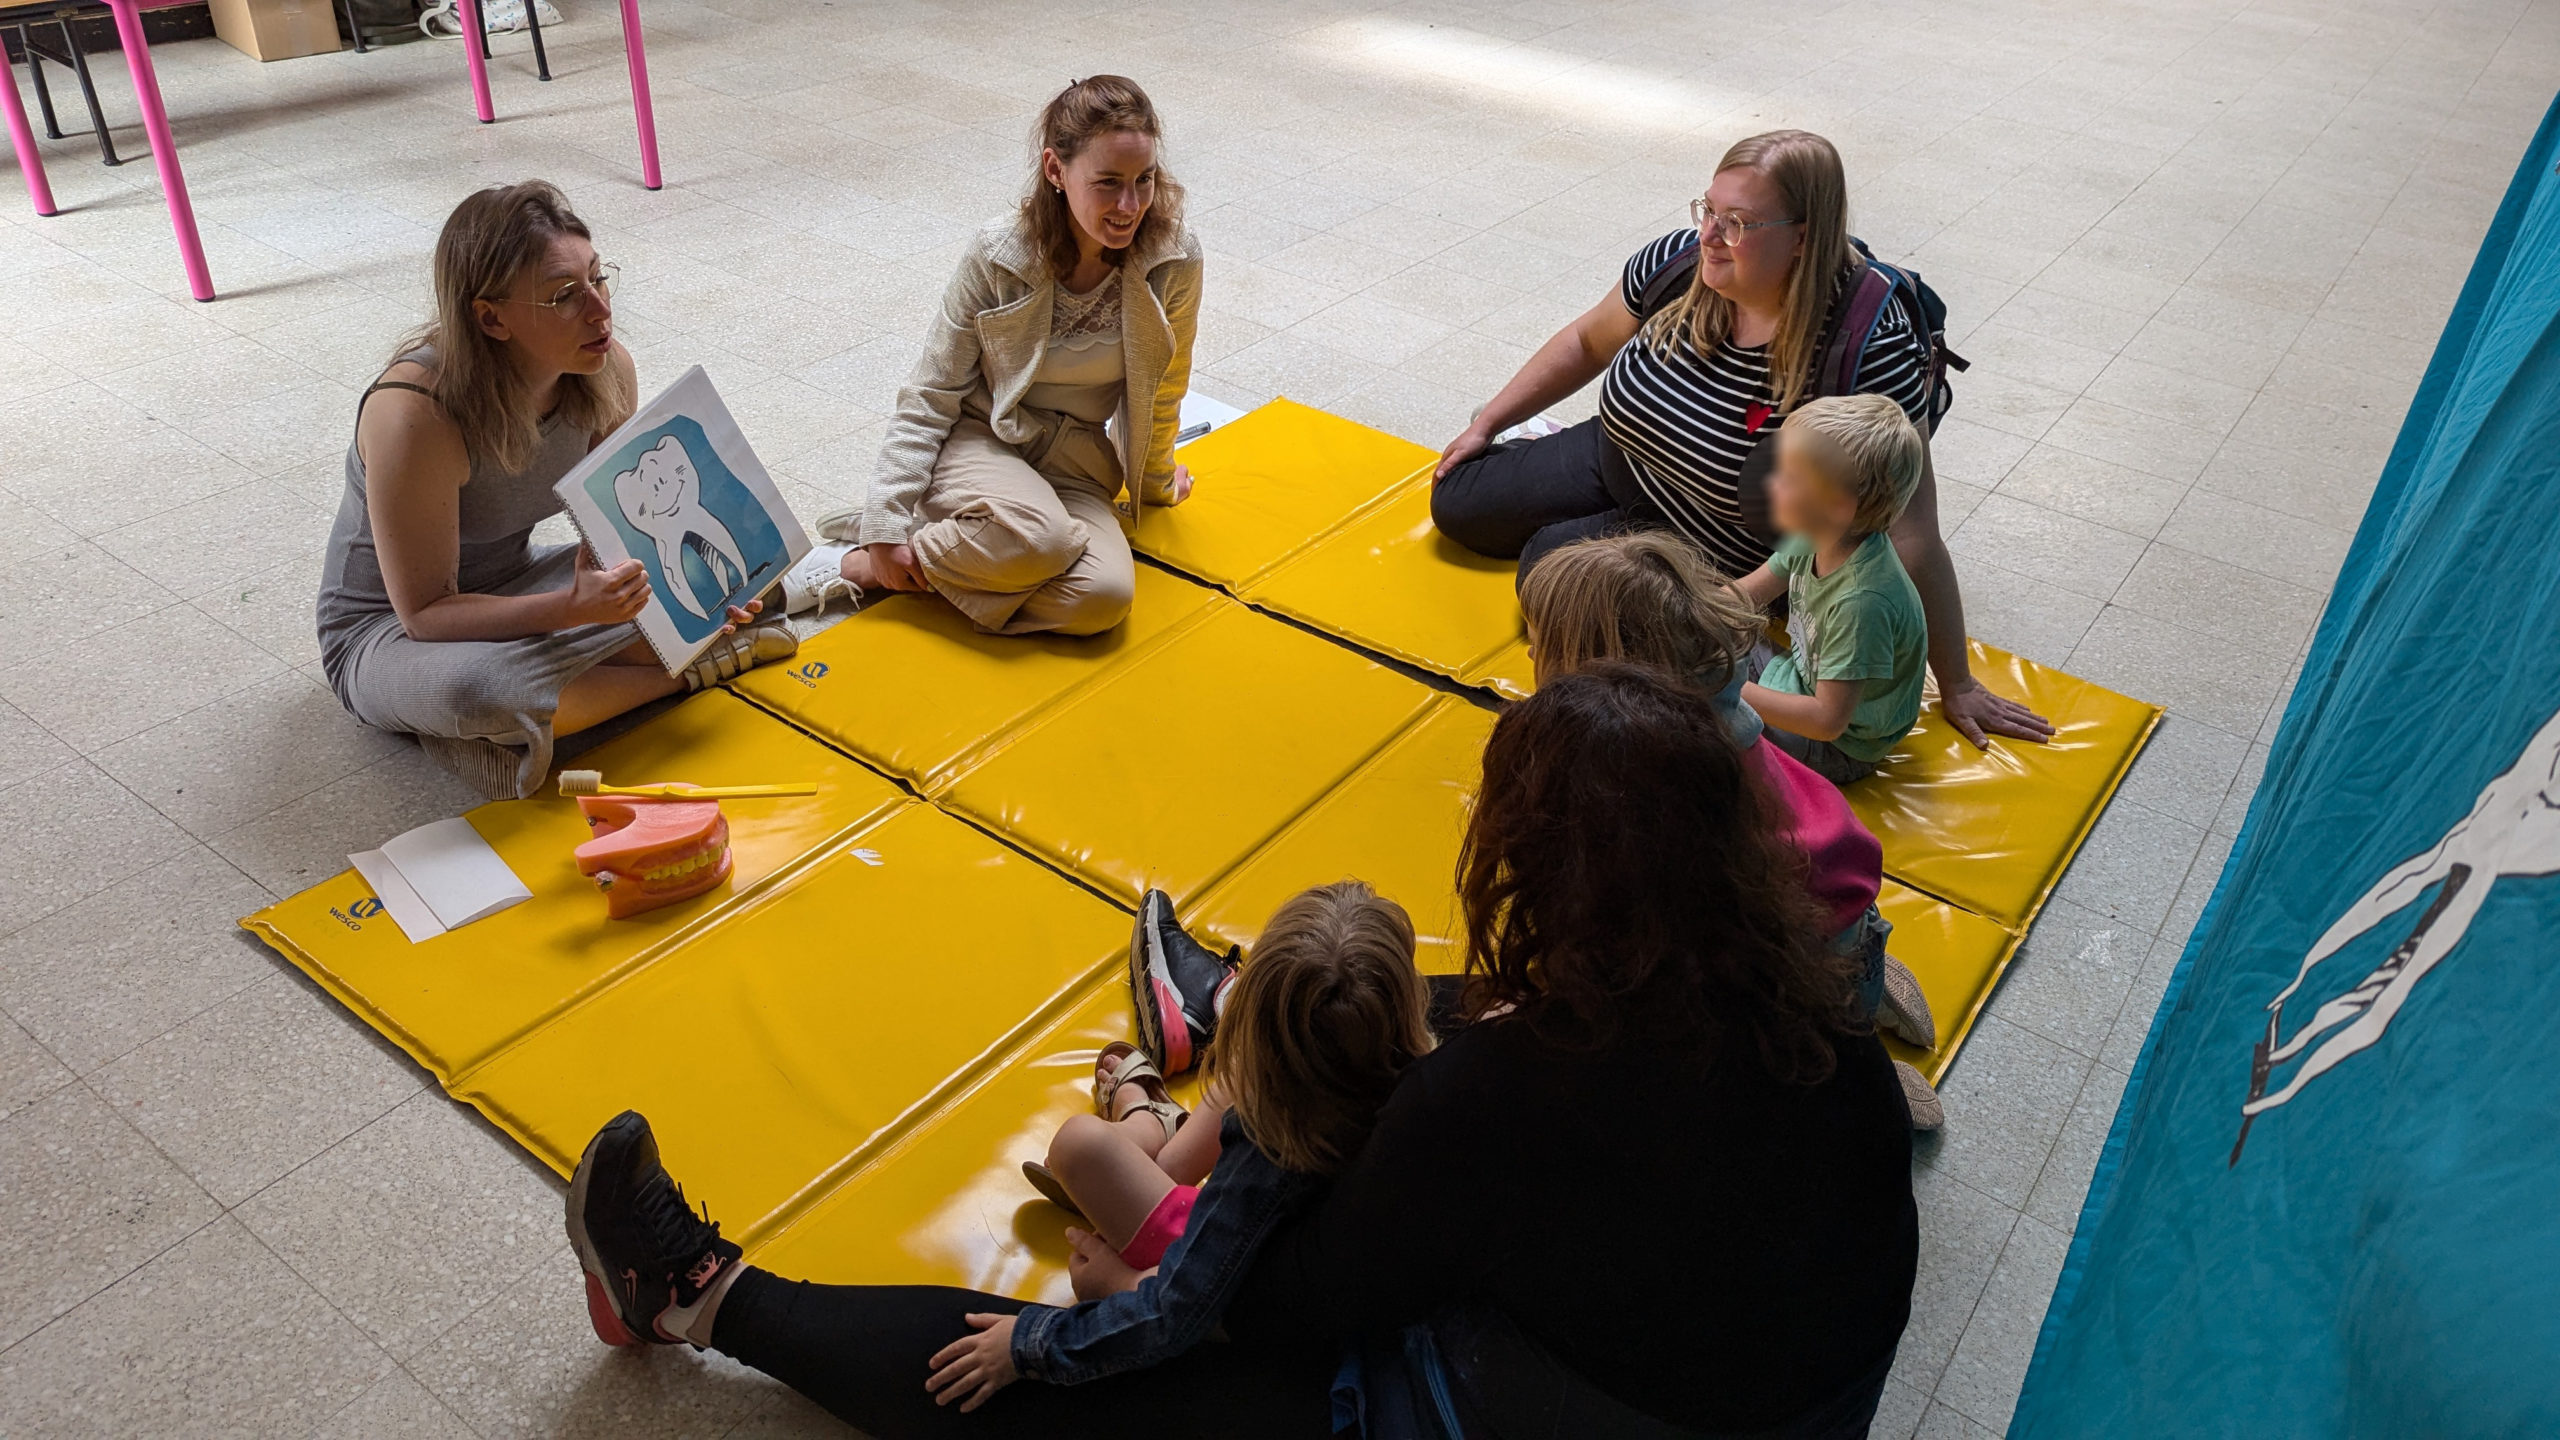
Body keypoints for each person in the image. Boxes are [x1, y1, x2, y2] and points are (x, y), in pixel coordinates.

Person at [549, 667, 1915, 1438]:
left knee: (1053, 1368)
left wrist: (1100, 1305)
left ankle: (695, 1296)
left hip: (1600, 1406)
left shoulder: (1490, 1097)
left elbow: (1275, 1303)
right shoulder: (1810, 1019)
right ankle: (1239, 1002)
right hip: (1778, 1403)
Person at [1427, 128, 2050, 754]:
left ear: (1803, 237)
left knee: (1550, 574)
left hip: (1717, 536)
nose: (1709, 235)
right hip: (1625, 453)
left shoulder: (1866, 346)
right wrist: (1489, 423)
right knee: (1457, 501)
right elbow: (1588, 341)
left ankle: (1608, 543)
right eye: (1708, 210)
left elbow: (1911, 529)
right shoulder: (1678, 262)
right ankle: (1556, 466)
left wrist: (1958, 684)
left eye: (1738, 223)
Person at [319, 181, 793, 800]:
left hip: (515, 582)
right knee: (484, 690)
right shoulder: (415, 415)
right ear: (491, 318)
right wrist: (575, 611)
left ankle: (541, 719)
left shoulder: (605, 368)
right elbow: (426, 613)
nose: (599, 311)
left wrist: (691, 595)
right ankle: (681, 676)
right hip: (389, 629)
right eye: (565, 296)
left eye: (598, 279)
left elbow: (619, 538)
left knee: (755, 585)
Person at [924, 882, 1431, 1413]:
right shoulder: (1426, 1086)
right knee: (1278, 1056)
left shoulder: (1265, 1162)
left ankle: (1148, 1117)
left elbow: (1177, 1310)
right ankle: (1166, 1108)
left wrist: (1077, 1312)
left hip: (1225, 1277)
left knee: (1077, 1145)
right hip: (1278, 1251)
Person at [1518, 528, 1942, 1127]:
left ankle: (1863, 1057)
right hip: (1837, 918)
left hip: (1803, 972)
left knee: (1795, 1084)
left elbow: (1672, 942)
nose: (1530, 657)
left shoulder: (1658, 780)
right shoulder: (1710, 699)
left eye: (1539, 644)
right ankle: (1863, 983)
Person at [782, 75, 1202, 635]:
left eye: (1143, 179)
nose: (1130, 205)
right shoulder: (998, 252)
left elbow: (1165, 386)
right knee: (1043, 539)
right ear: (1055, 170)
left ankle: (943, 541)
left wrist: (1156, 483)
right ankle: (862, 562)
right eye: (1107, 182)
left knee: (1102, 599)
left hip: (1075, 461)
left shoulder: (1174, 258)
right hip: (982, 437)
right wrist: (885, 521)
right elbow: (932, 392)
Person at [1734, 394, 1930, 787]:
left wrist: (1729, 689)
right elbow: (1740, 599)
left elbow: (1827, 722)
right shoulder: (1814, 535)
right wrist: (1681, 613)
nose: (1771, 483)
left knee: (1700, 715)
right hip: (1796, 679)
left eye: (1789, 478)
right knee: (1705, 641)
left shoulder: (1862, 602)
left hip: (1838, 748)